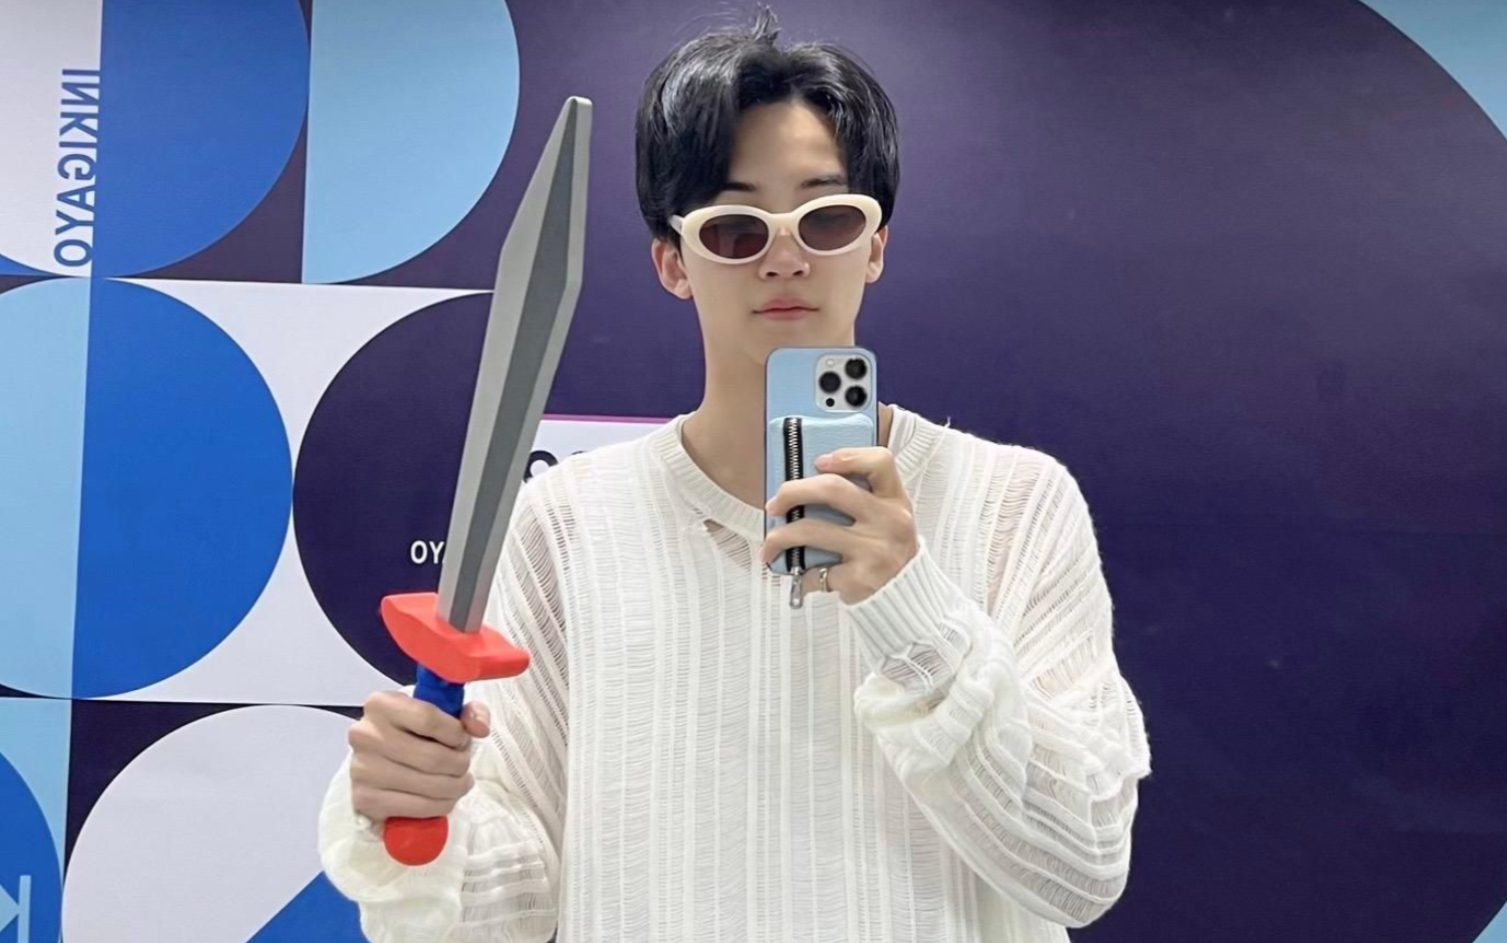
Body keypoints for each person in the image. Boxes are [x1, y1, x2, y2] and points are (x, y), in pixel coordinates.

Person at [318, 8, 1152, 942]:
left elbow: (1079, 865)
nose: (785, 256)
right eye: (735, 229)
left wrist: (911, 607)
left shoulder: (1014, 504)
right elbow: (506, 911)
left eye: (826, 217)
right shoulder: (568, 520)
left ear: (874, 245)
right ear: (673, 263)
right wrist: (415, 817)